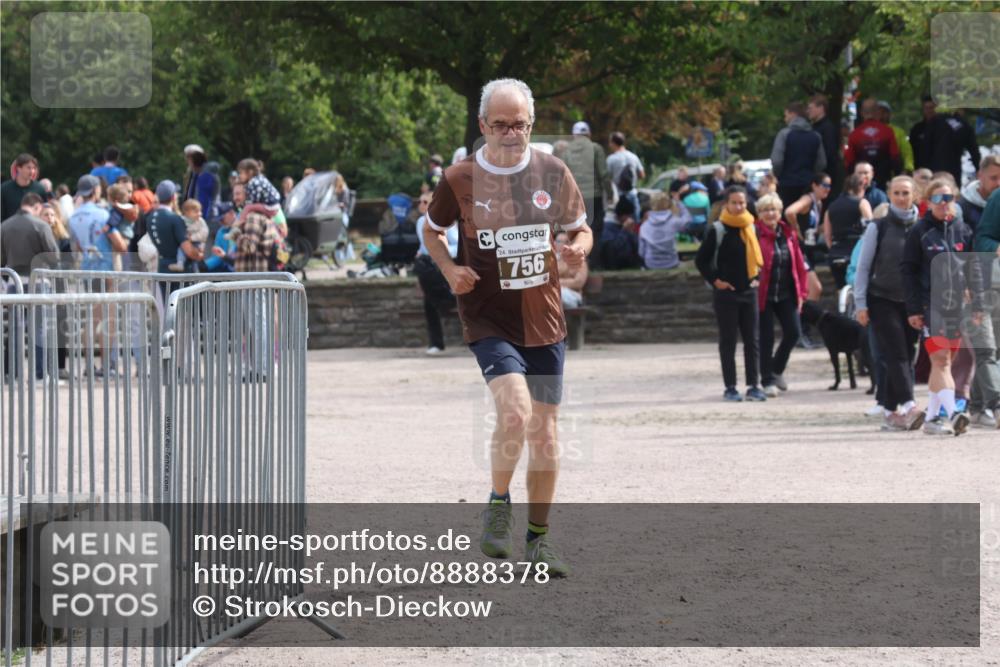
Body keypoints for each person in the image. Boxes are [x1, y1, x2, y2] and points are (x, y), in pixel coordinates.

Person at [422, 78, 591, 577]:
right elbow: (431, 231)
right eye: (500, 125)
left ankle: (539, 541)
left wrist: (579, 246)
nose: (511, 133)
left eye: (519, 124)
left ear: (531, 124)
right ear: (482, 127)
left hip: (544, 316)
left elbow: (581, 226)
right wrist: (451, 270)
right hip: (489, 315)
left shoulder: (553, 172)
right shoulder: (459, 178)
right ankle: (498, 504)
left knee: (546, 435)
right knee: (515, 410)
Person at [902, 179, 985, 436]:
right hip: (931, 305)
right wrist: (914, 308)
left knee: (946, 361)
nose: (943, 204)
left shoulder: (963, 230)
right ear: (928, 202)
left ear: (955, 200)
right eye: (937, 199)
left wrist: (979, 304)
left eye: (948, 198)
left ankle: (930, 420)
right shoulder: (919, 232)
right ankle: (953, 413)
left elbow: (975, 269)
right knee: (940, 361)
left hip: (958, 307)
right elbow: (909, 272)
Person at [853, 176, 925, 431]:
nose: (901, 197)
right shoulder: (878, 227)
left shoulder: (923, 226)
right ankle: (909, 405)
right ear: (889, 195)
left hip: (912, 301)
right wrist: (860, 303)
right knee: (896, 352)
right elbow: (863, 267)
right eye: (896, 193)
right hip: (881, 298)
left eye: (906, 192)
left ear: (914, 195)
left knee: (909, 354)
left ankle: (890, 411)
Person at [695, 186, 766, 402]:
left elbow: (759, 258)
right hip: (726, 295)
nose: (739, 206)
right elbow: (701, 261)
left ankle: (754, 385)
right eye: (734, 202)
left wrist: (756, 278)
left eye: (742, 203)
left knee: (752, 341)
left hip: (749, 292)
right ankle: (730, 386)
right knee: (728, 341)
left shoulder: (752, 227)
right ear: (726, 204)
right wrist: (717, 281)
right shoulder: (718, 229)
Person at [754, 193, 808, 397]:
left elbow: (799, 265)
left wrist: (802, 292)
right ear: (759, 214)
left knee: (794, 332)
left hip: (786, 292)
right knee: (766, 338)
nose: (770, 213)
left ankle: (776, 370)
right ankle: (767, 380)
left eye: (774, 209)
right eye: (766, 210)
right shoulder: (754, 234)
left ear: (779, 212)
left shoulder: (788, 233)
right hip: (763, 293)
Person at [413, 192, 458, 355]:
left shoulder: (446, 222)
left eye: (425, 202)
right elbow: (423, 245)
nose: (421, 204)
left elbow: (457, 245)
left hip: (444, 267)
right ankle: (436, 343)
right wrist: (422, 253)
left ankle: (446, 300)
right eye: (420, 201)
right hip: (430, 269)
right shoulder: (420, 222)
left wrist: (438, 253)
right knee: (429, 303)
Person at [971, 179, 1000, 429]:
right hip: (996, 284)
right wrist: (997, 247)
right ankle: (984, 406)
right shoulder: (998, 198)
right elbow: (983, 239)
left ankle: (977, 406)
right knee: (993, 350)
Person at [562, 121, 611, 252]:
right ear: (589, 134)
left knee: (578, 229)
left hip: (575, 197)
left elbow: (563, 176)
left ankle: (581, 260)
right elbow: (604, 175)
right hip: (594, 195)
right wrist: (610, 194)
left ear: (574, 135)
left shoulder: (566, 151)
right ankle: (596, 263)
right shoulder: (595, 148)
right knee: (595, 229)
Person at [770, 101, 826, 206]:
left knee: (786, 217)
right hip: (808, 184)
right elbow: (821, 163)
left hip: (786, 184)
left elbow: (777, 161)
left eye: (786, 115)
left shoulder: (784, 134)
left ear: (793, 114)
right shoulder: (816, 136)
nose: (785, 119)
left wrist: (779, 175)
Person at [823, 174, 873, 289]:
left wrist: (833, 249)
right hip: (856, 253)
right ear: (860, 186)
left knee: (841, 290)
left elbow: (827, 235)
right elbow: (871, 229)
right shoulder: (862, 203)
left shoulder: (831, 207)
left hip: (836, 253)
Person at [146, 180, 202, 280]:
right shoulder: (175, 219)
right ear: (173, 197)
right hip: (181, 272)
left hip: (163, 268)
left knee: (167, 296)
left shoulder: (150, 217)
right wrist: (199, 255)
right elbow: (188, 251)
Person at [913, 101, 980, 184]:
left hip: (933, 170)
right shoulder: (964, 125)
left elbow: (924, 148)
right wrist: (978, 168)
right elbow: (974, 150)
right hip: (954, 171)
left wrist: (921, 169)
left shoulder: (934, 122)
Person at [845, 98, 901, 190]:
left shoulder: (855, 134)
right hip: (883, 181)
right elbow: (895, 157)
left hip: (861, 184)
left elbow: (849, 162)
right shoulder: (887, 131)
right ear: (877, 112)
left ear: (862, 113)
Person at [68, 175, 122, 271]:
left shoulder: (73, 217)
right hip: (105, 270)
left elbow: (79, 246)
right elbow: (120, 246)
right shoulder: (103, 214)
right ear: (94, 190)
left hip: (86, 269)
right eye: (99, 187)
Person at [638, 191, 691, 269]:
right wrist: (679, 203)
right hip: (671, 263)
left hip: (651, 264)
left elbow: (641, 252)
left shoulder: (644, 226)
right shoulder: (674, 222)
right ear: (668, 205)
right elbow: (687, 219)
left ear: (651, 205)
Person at [808, 94, 844, 192]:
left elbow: (829, 153)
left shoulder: (827, 128)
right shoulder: (814, 128)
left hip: (826, 174)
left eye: (811, 108)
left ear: (821, 108)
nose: (808, 111)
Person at [606, 131, 644, 223]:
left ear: (613, 143)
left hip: (618, 197)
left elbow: (606, 179)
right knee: (635, 225)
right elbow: (642, 175)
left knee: (617, 225)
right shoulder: (633, 157)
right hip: (632, 195)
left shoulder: (611, 159)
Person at [1, 153, 46, 221]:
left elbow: (44, 212)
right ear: (19, 168)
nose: (32, 171)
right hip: (10, 229)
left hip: (34, 230)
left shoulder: (40, 189)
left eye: (34, 168)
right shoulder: (4, 189)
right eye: (28, 168)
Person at [171, 199, 209, 272]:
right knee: (180, 250)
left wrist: (192, 237)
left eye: (200, 211)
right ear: (187, 213)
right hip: (186, 242)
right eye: (196, 212)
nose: (199, 214)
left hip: (197, 242)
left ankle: (196, 273)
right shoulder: (182, 220)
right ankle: (180, 263)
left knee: (195, 259)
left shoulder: (200, 221)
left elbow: (204, 232)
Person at [877, 102, 914, 174]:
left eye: (884, 112)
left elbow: (907, 153)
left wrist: (908, 168)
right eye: (878, 112)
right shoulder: (869, 131)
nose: (881, 115)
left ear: (889, 114)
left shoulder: (898, 132)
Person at [554, 230, 587, 308]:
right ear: (554, 243)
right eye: (559, 241)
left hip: (572, 296)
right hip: (556, 294)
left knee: (556, 294)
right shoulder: (550, 260)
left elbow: (578, 282)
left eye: (566, 242)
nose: (563, 245)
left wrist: (556, 283)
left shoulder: (578, 260)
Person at [202, 203, 238, 273]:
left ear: (232, 213)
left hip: (240, 268)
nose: (220, 222)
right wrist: (205, 265)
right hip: (225, 268)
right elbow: (217, 256)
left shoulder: (241, 227)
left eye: (222, 218)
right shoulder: (221, 231)